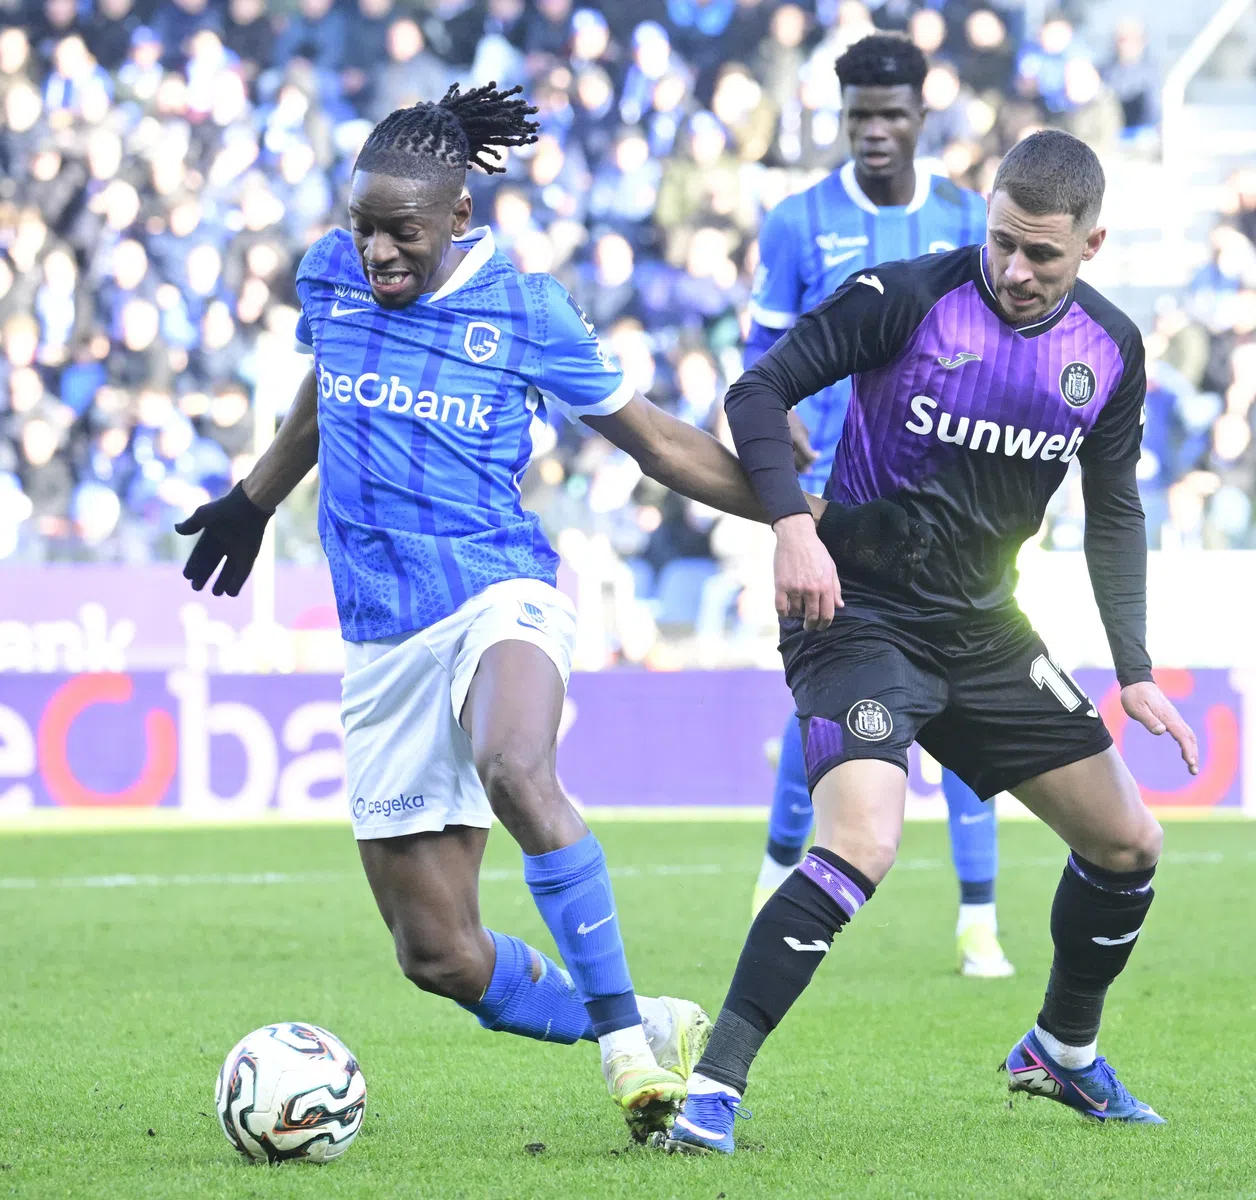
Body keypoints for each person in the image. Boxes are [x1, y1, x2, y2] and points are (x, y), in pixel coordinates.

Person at [172, 81, 904, 1144]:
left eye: (401, 233)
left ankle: (628, 1057)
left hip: (495, 589)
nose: (376, 252)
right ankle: (646, 1016)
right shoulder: (328, 278)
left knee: (517, 765)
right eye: (362, 226)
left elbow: (655, 442)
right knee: (441, 957)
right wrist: (255, 497)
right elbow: (323, 392)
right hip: (381, 639)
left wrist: (812, 516)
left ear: (459, 218)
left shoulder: (526, 309)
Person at [662, 130, 1201, 1154]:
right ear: (986, 218)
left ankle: (1063, 1053)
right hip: (856, 610)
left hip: (985, 631)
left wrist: (1133, 672)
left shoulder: (1111, 351)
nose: (1016, 270)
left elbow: (1116, 509)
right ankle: (714, 1088)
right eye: (1003, 242)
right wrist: (791, 530)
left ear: (1093, 243)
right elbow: (756, 393)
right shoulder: (905, 296)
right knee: (862, 840)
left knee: (1130, 843)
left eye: (1043, 253)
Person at [741, 32, 1014, 980]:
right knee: (820, 705)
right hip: (835, 508)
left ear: (921, 116)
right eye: (859, 117)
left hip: (950, 508)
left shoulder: (973, 218)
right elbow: (760, 363)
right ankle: (778, 872)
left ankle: (978, 919)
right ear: (841, 118)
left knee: (972, 701)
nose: (875, 133)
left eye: (892, 115)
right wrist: (780, 444)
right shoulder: (794, 223)